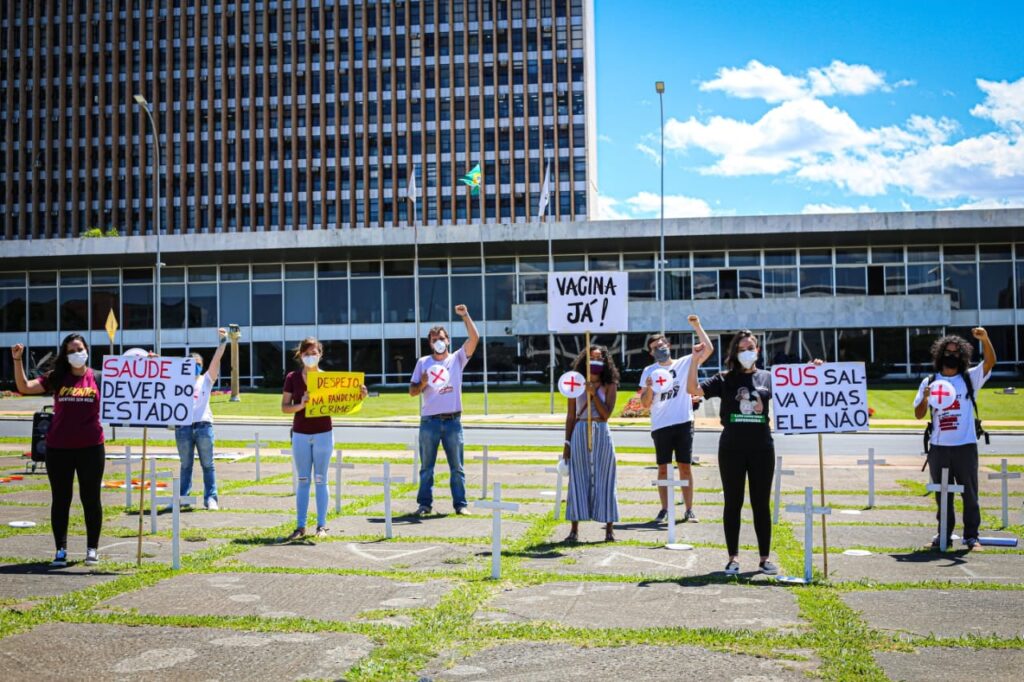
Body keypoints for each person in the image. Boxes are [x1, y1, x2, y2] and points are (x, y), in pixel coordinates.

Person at [687, 331, 789, 576]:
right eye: (742, 348)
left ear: (758, 350)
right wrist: (694, 360)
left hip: (762, 448)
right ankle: (733, 558)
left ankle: (764, 559)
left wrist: (814, 370)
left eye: (750, 347)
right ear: (734, 353)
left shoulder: (768, 378)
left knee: (760, 504)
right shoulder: (724, 379)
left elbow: (799, 389)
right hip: (732, 448)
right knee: (733, 503)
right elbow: (693, 388)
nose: (747, 352)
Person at [11, 335, 105, 568]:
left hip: (91, 448)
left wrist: (146, 365)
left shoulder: (99, 378)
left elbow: (132, 387)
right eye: (71, 350)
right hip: (58, 449)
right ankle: (60, 550)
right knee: (61, 500)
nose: (76, 353)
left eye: (80, 349)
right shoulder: (57, 377)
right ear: (65, 354)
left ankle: (92, 549)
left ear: (87, 350)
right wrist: (17, 360)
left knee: (91, 499)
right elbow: (24, 387)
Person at [913, 328, 995, 551]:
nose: (952, 355)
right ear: (940, 354)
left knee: (970, 493)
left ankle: (971, 536)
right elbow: (919, 414)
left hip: (965, 446)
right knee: (942, 495)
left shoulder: (969, 379)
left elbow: (989, 362)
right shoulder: (930, 381)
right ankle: (944, 536)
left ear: (963, 356)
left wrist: (985, 339)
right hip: (939, 447)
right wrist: (926, 398)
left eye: (957, 352)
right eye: (948, 351)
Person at [281, 337, 367, 541]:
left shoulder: (328, 380)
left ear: (320, 355)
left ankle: (322, 525)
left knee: (321, 479)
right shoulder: (292, 377)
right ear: (300, 355)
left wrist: (359, 395)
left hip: (323, 434)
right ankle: (300, 526)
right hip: (300, 433)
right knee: (303, 480)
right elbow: (285, 407)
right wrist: (301, 405)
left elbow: (344, 401)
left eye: (314, 353)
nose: (310, 357)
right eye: (306, 353)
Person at [639, 315, 713, 524]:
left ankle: (689, 509)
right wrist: (651, 386)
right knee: (663, 467)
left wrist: (697, 326)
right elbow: (645, 404)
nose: (660, 348)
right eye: (655, 347)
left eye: (662, 344)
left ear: (668, 345)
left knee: (684, 467)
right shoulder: (649, 371)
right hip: (661, 425)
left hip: (683, 422)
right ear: (651, 352)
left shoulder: (684, 363)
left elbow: (707, 349)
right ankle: (664, 509)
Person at [409, 304, 479, 516]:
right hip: (429, 422)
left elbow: (474, 339)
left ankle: (460, 504)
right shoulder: (423, 362)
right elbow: (412, 391)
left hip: (453, 421)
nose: (438, 342)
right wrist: (422, 383)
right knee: (426, 468)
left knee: (457, 467)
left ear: (447, 340)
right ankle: (424, 504)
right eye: (434, 339)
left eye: (441, 338)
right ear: (430, 343)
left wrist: (465, 315)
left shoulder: (457, 358)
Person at [562, 345, 620, 543]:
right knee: (578, 478)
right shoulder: (575, 384)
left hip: (601, 430)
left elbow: (606, 415)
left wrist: (593, 393)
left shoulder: (609, 384)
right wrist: (567, 444)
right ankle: (574, 530)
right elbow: (571, 416)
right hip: (579, 431)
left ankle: (609, 529)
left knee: (606, 475)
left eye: (599, 358)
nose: (595, 361)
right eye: (592, 358)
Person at [175, 328, 228, 510]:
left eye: (198, 363)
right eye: (191, 363)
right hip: (183, 428)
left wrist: (222, 343)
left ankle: (211, 498)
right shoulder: (177, 380)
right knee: (185, 465)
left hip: (204, 426)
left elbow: (216, 360)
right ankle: (183, 497)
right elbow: (160, 372)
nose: (194, 365)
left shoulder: (206, 379)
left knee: (208, 464)